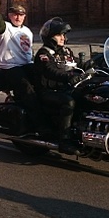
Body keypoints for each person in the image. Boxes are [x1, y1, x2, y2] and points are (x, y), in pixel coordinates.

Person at [0, 0, 45, 132]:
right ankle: (37, 123)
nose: (18, 17)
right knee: (27, 89)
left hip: (26, 64)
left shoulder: (27, 31)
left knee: (43, 81)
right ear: (9, 15)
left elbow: (28, 51)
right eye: (15, 15)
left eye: (21, 15)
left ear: (24, 16)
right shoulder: (6, 28)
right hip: (11, 66)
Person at [33, 17, 87, 155]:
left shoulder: (66, 51)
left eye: (64, 35)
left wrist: (90, 64)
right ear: (50, 37)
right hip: (48, 91)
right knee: (68, 102)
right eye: (59, 35)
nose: (63, 38)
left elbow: (76, 64)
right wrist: (69, 77)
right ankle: (64, 140)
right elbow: (51, 71)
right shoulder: (43, 54)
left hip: (65, 88)